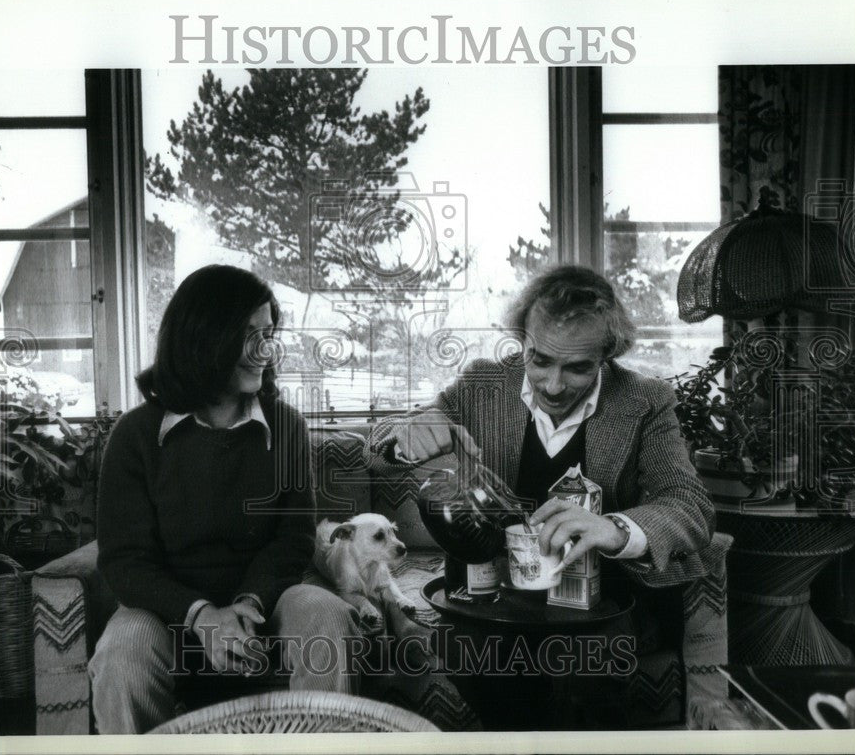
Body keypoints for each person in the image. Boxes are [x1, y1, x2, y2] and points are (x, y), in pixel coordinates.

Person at [88, 265, 363, 734]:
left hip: (266, 605)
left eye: (268, 333)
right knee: (121, 656)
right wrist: (202, 617)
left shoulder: (288, 426)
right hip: (164, 615)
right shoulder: (134, 436)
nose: (265, 349)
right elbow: (125, 561)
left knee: (328, 618)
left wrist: (248, 604)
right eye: (247, 334)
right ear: (203, 340)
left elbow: (293, 540)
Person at [369, 263, 717, 591]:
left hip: (605, 605)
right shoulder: (482, 383)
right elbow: (376, 453)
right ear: (523, 339)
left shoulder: (645, 400)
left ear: (607, 352)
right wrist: (407, 437)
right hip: (491, 599)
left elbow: (690, 506)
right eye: (540, 360)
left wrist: (616, 529)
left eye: (578, 368)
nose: (552, 386)